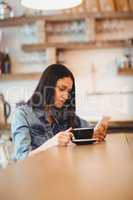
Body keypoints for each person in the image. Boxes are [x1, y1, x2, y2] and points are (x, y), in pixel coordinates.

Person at [11, 64, 107, 161]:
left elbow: (88, 127)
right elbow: (22, 159)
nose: (66, 96)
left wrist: (96, 132)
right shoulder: (22, 115)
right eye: (61, 89)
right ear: (47, 87)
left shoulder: (63, 113)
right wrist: (51, 143)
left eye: (69, 91)